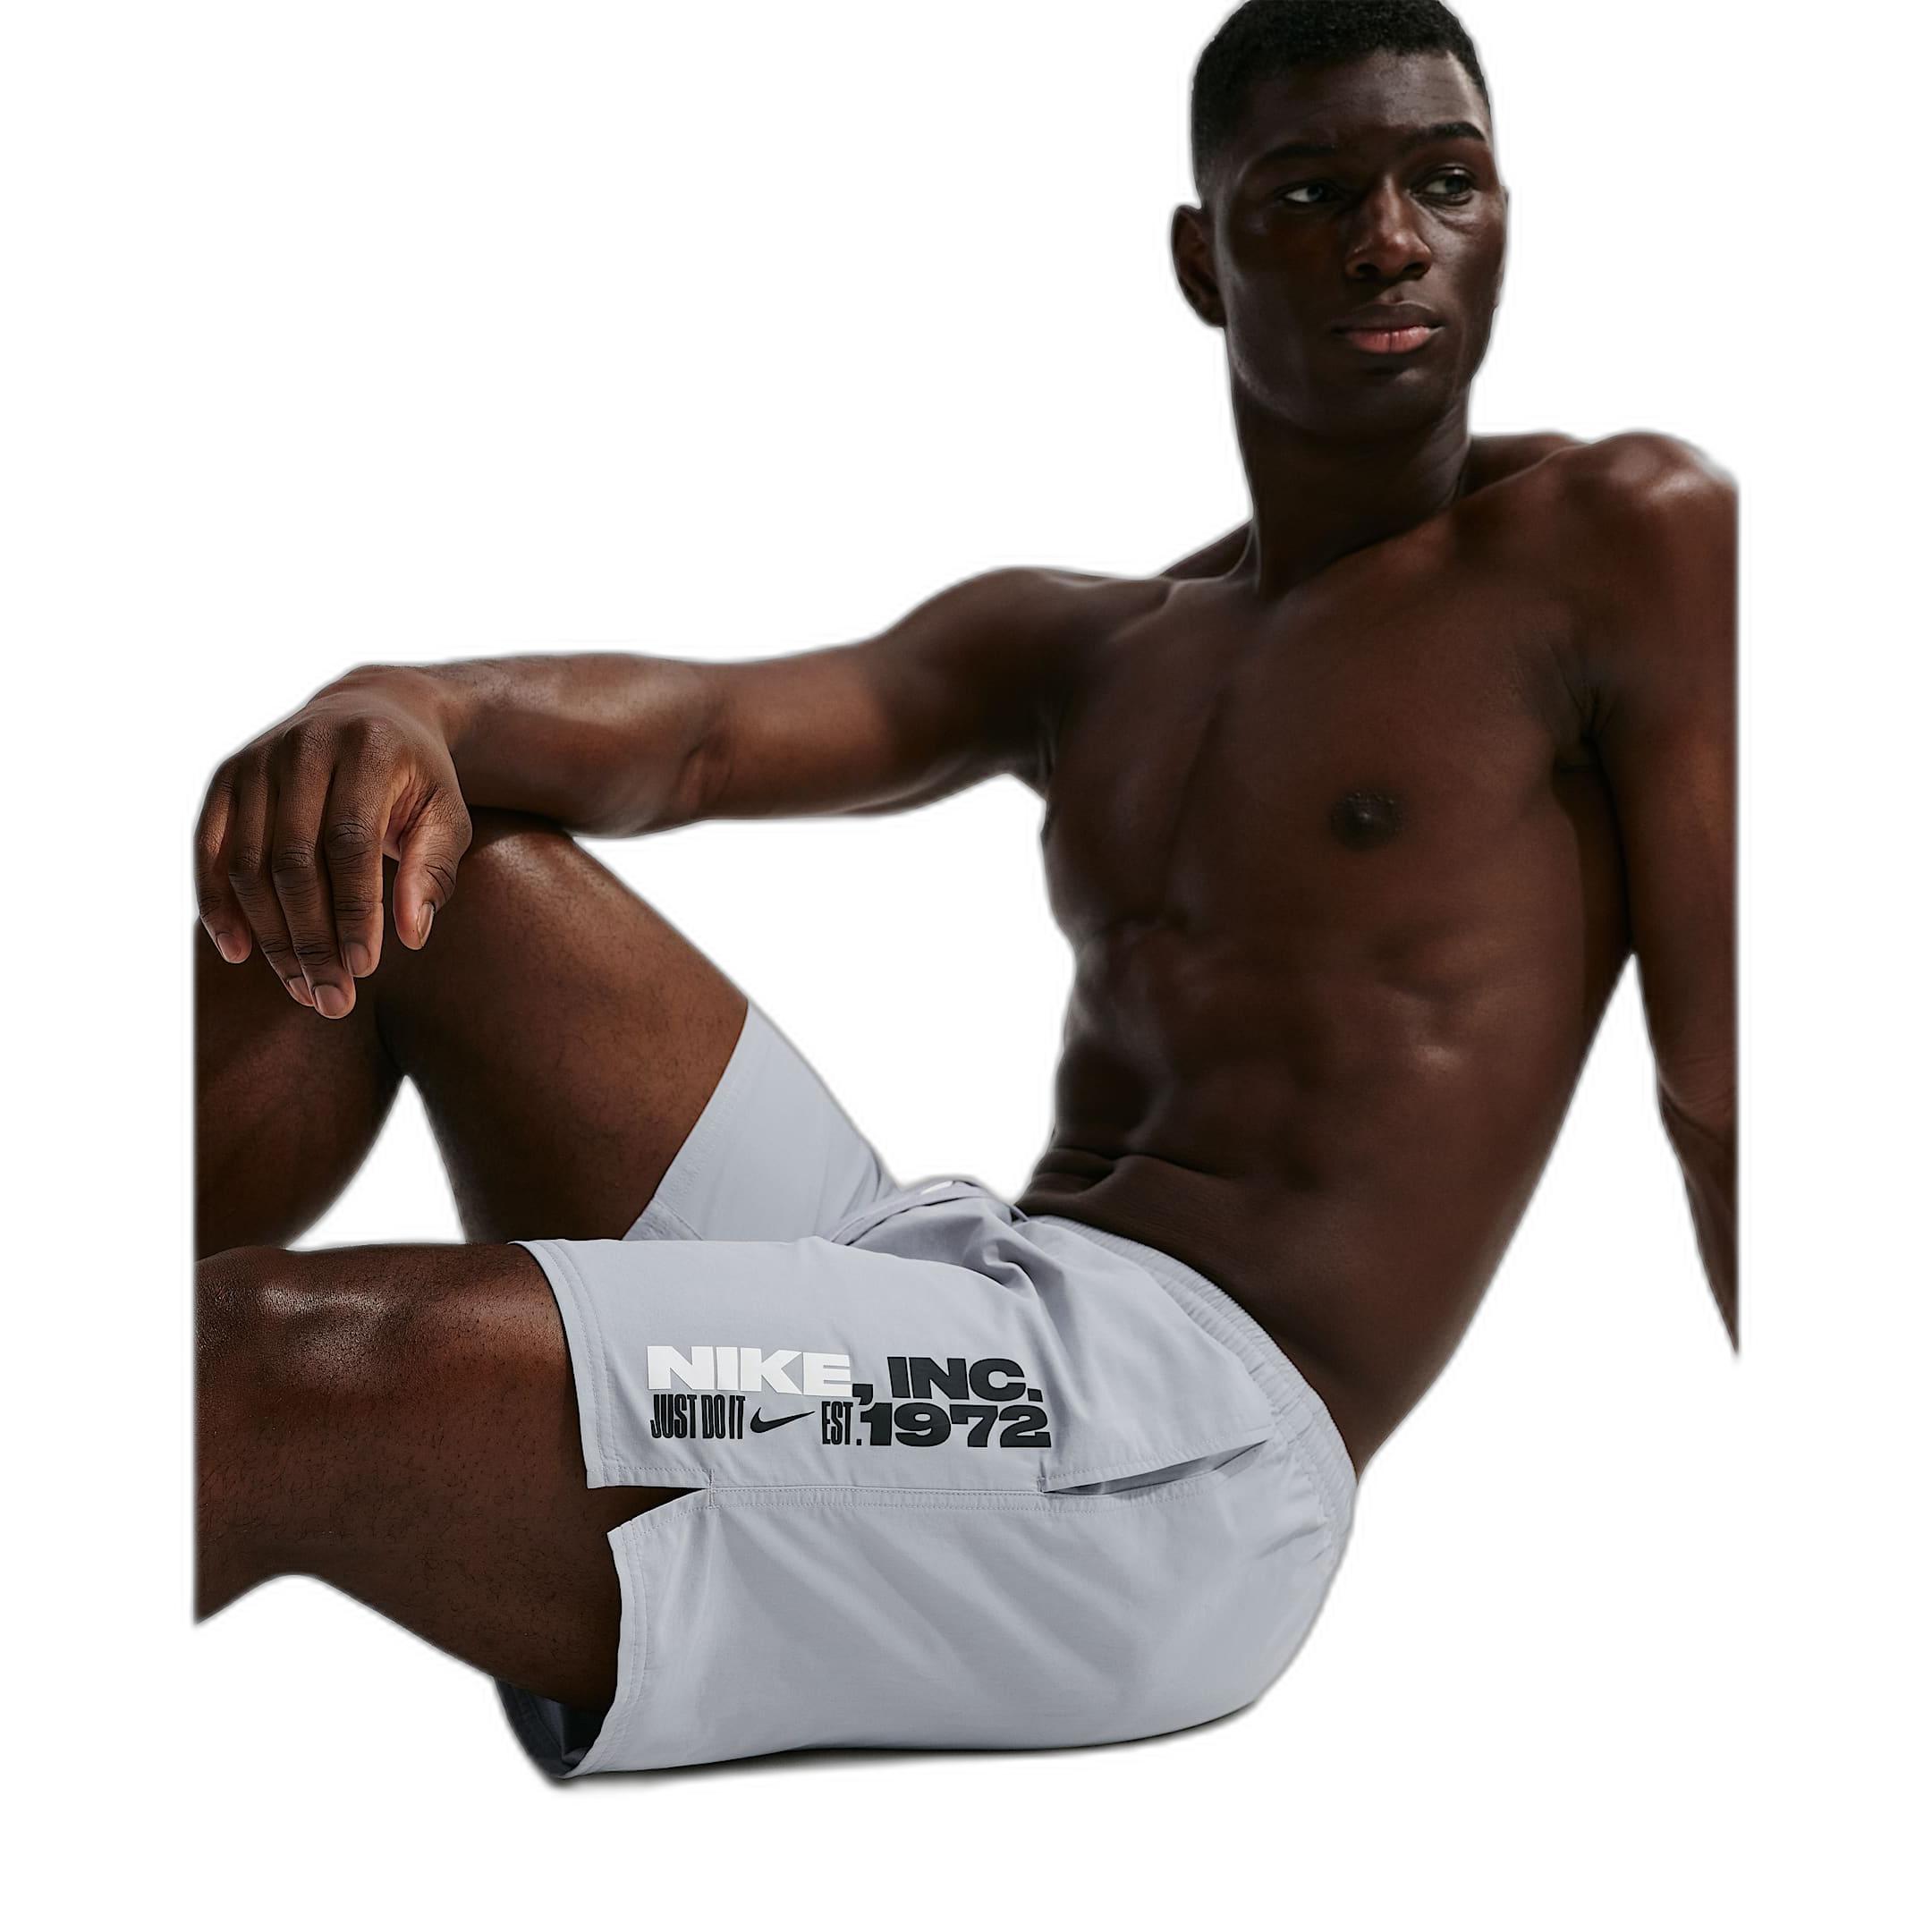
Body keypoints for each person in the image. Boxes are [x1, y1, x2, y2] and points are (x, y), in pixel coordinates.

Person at [193, 0, 1735, 1777]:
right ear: (1203, 257)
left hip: (1169, 1453)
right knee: (390, 843)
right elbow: (699, 737)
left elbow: (1736, 1095)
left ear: (1504, 213)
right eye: (1312, 192)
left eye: (1445, 181)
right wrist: (402, 703)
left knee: (244, 1376)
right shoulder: (1093, 644)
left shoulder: (1619, 540)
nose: (1391, 239)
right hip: (966, 1305)